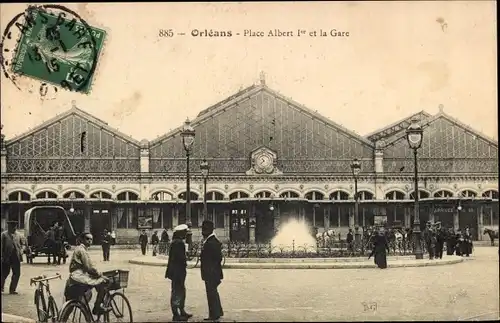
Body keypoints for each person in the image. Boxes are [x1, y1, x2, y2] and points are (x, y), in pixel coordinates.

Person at [64, 232, 110, 315]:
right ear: (82, 240)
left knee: (69, 307)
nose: (89, 241)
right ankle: (97, 308)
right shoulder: (82, 250)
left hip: (74, 277)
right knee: (102, 283)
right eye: (87, 239)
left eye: (91, 239)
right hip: (79, 277)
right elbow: (89, 268)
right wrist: (100, 274)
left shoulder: (79, 249)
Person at [165, 224, 192, 321]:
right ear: (181, 233)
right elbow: (179, 258)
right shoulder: (178, 243)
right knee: (177, 291)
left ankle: (181, 310)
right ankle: (176, 314)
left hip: (176, 271)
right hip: (178, 271)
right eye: (185, 232)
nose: (186, 234)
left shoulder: (176, 242)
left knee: (180, 290)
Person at [200, 220, 224, 321]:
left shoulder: (211, 242)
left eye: (204, 230)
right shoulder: (212, 241)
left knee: (211, 293)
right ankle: (217, 312)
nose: (202, 232)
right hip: (213, 272)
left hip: (211, 272)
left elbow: (216, 258)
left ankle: (214, 314)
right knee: (213, 293)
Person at [1, 221, 23, 294]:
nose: (14, 228)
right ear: (9, 227)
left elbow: (22, 244)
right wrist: (2, 256)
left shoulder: (18, 235)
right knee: (4, 273)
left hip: (16, 256)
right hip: (6, 256)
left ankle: (12, 289)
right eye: (12, 227)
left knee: (17, 273)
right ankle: (1, 287)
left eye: (15, 226)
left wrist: (21, 251)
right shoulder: (4, 235)